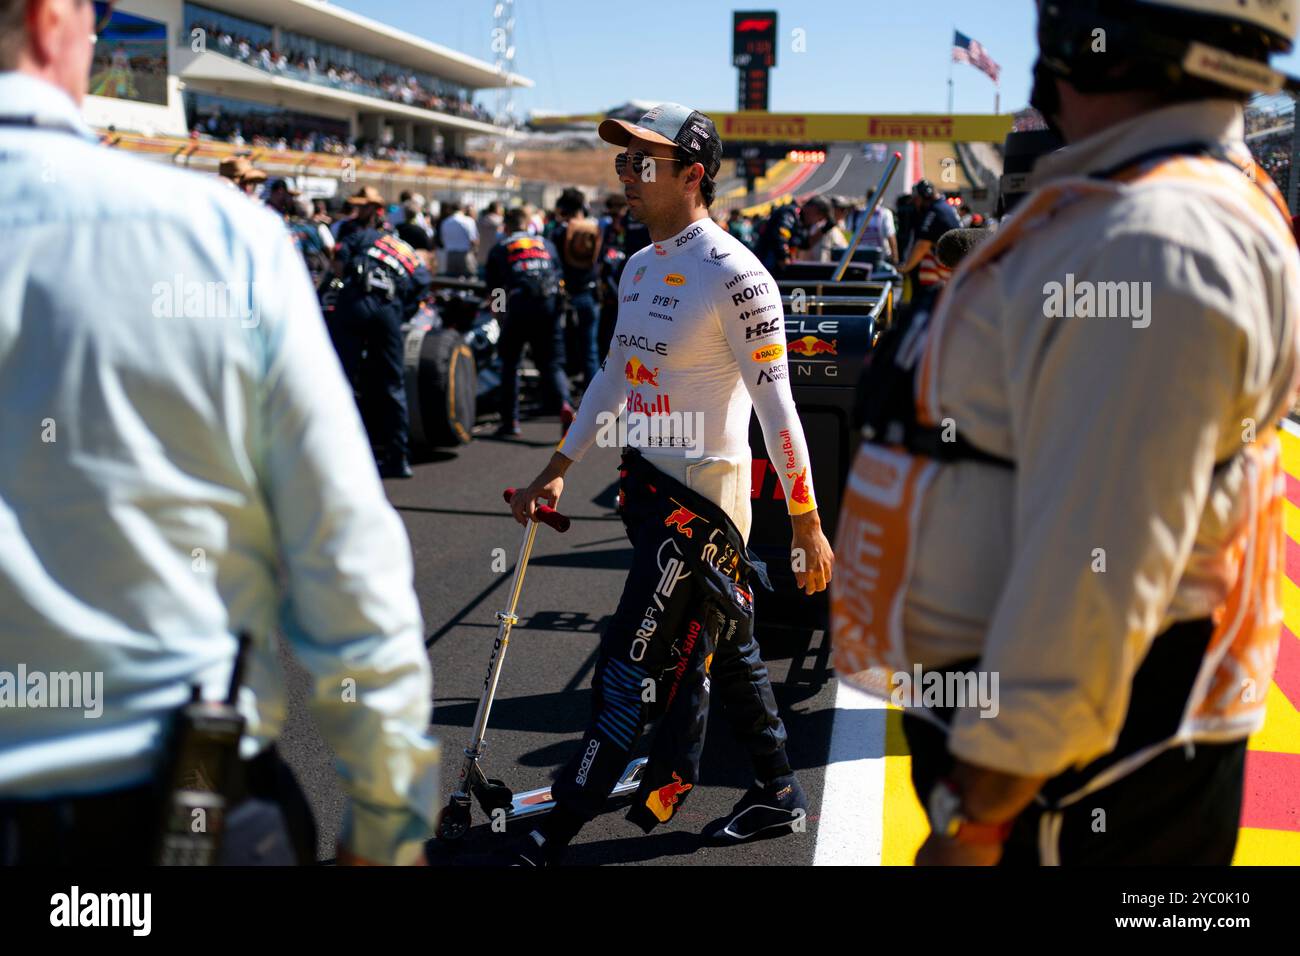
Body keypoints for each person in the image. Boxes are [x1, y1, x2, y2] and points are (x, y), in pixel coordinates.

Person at [833, 0, 1300, 866]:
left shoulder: (1155, 239)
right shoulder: (1146, 207)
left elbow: (1100, 573)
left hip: (1071, 792)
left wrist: (980, 819)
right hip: (1068, 767)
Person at [0, 0, 437, 866]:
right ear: (55, 19)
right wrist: (390, 820)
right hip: (181, 810)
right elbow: (343, 553)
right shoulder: (221, 238)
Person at [506, 102, 835, 866]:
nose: (627, 174)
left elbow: (775, 403)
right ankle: (778, 793)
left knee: (633, 653)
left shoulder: (737, 273)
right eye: (623, 161)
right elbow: (614, 377)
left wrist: (807, 522)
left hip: (705, 506)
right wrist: (556, 469)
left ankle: (558, 828)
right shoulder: (638, 263)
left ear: (692, 174)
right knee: (727, 643)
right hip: (651, 489)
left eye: (642, 162)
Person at [328, 186, 433, 478]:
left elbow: (338, 262)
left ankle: (337, 457)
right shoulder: (411, 255)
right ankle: (398, 458)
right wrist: (400, 311)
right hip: (387, 310)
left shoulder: (365, 237)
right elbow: (422, 286)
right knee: (393, 384)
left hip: (355, 303)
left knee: (340, 380)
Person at [485, 207, 574, 438]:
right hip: (549, 306)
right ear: (528, 224)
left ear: (506, 227)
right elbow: (559, 275)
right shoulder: (546, 244)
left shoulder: (501, 247)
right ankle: (565, 404)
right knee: (552, 363)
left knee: (510, 363)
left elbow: (496, 288)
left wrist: (500, 316)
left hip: (520, 306)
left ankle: (510, 421)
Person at [550, 187, 603, 387]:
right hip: (591, 292)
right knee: (591, 349)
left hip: (567, 295)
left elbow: (555, 263)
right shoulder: (595, 228)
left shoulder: (559, 231)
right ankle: (594, 396)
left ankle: (561, 392)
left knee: (562, 348)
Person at [897, 179, 960, 311]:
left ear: (922, 197)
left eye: (916, 199)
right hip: (953, 269)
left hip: (944, 272)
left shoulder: (934, 212)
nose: (915, 203)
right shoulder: (945, 207)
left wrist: (906, 267)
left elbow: (922, 245)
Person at [850, 189, 899, 263]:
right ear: (880, 198)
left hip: (860, 257)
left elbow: (850, 235)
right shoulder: (885, 213)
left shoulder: (857, 214)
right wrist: (895, 257)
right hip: (880, 258)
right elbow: (891, 236)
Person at [796, 195, 848, 263]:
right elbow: (805, 246)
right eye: (841, 209)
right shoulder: (818, 226)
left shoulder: (833, 228)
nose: (845, 212)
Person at [439, 201, 479, 277]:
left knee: (452, 282)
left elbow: (442, 240)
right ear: (463, 209)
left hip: (450, 255)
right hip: (465, 255)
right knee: (469, 281)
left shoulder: (445, 222)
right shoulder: (469, 221)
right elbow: (473, 240)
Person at [476, 200, 505, 265]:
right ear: (497, 209)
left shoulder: (481, 221)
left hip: (482, 256)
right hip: (495, 256)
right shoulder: (501, 221)